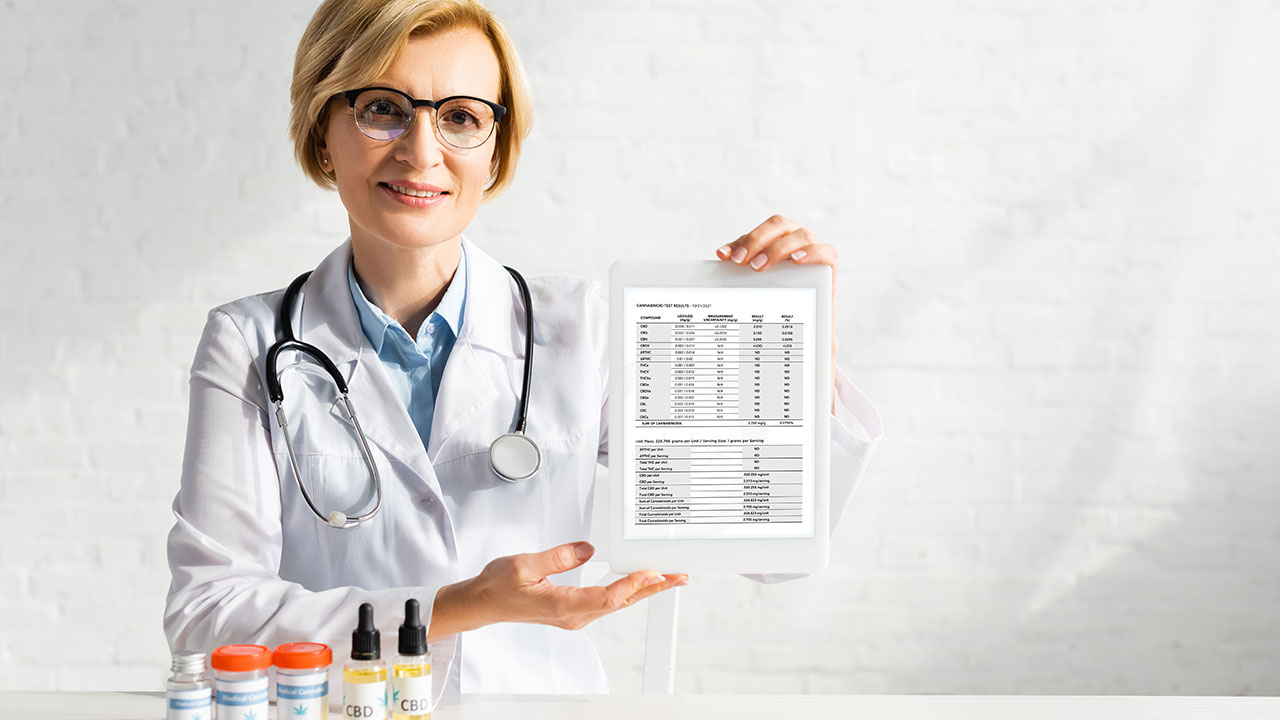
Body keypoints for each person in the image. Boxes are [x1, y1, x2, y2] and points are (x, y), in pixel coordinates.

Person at [163, 0, 882, 704]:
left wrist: (800, 351)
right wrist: (461, 605)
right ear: (323, 131)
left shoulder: (581, 328)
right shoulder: (251, 345)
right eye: (382, 108)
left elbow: (763, 550)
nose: (421, 151)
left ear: (497, 150)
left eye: (462, 118)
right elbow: (208, 615)